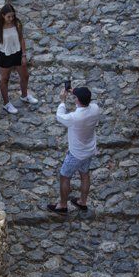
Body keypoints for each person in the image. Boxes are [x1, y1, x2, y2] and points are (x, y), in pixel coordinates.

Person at [47, 85, 100, 214]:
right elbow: (86, 102)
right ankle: (82, 202)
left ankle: (62, 205)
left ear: (77, 100)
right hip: (89, 151)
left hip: (75, 154)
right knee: (85, 175)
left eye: (75, 97)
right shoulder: (95, 109)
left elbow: (59, 116)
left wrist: (62, 101)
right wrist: (75, 92)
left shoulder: (74, 118)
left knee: (64, 177)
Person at [0, 4, 38, 114]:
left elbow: (21, 39)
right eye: (9, 17)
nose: (11, 19)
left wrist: (24, 55)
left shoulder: (17, 24)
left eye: (12, 16)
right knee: (5, 79)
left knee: (25, 76)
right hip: (5, 55)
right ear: (3, 16)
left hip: (17, 53)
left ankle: (24, 96)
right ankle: (6, 104)